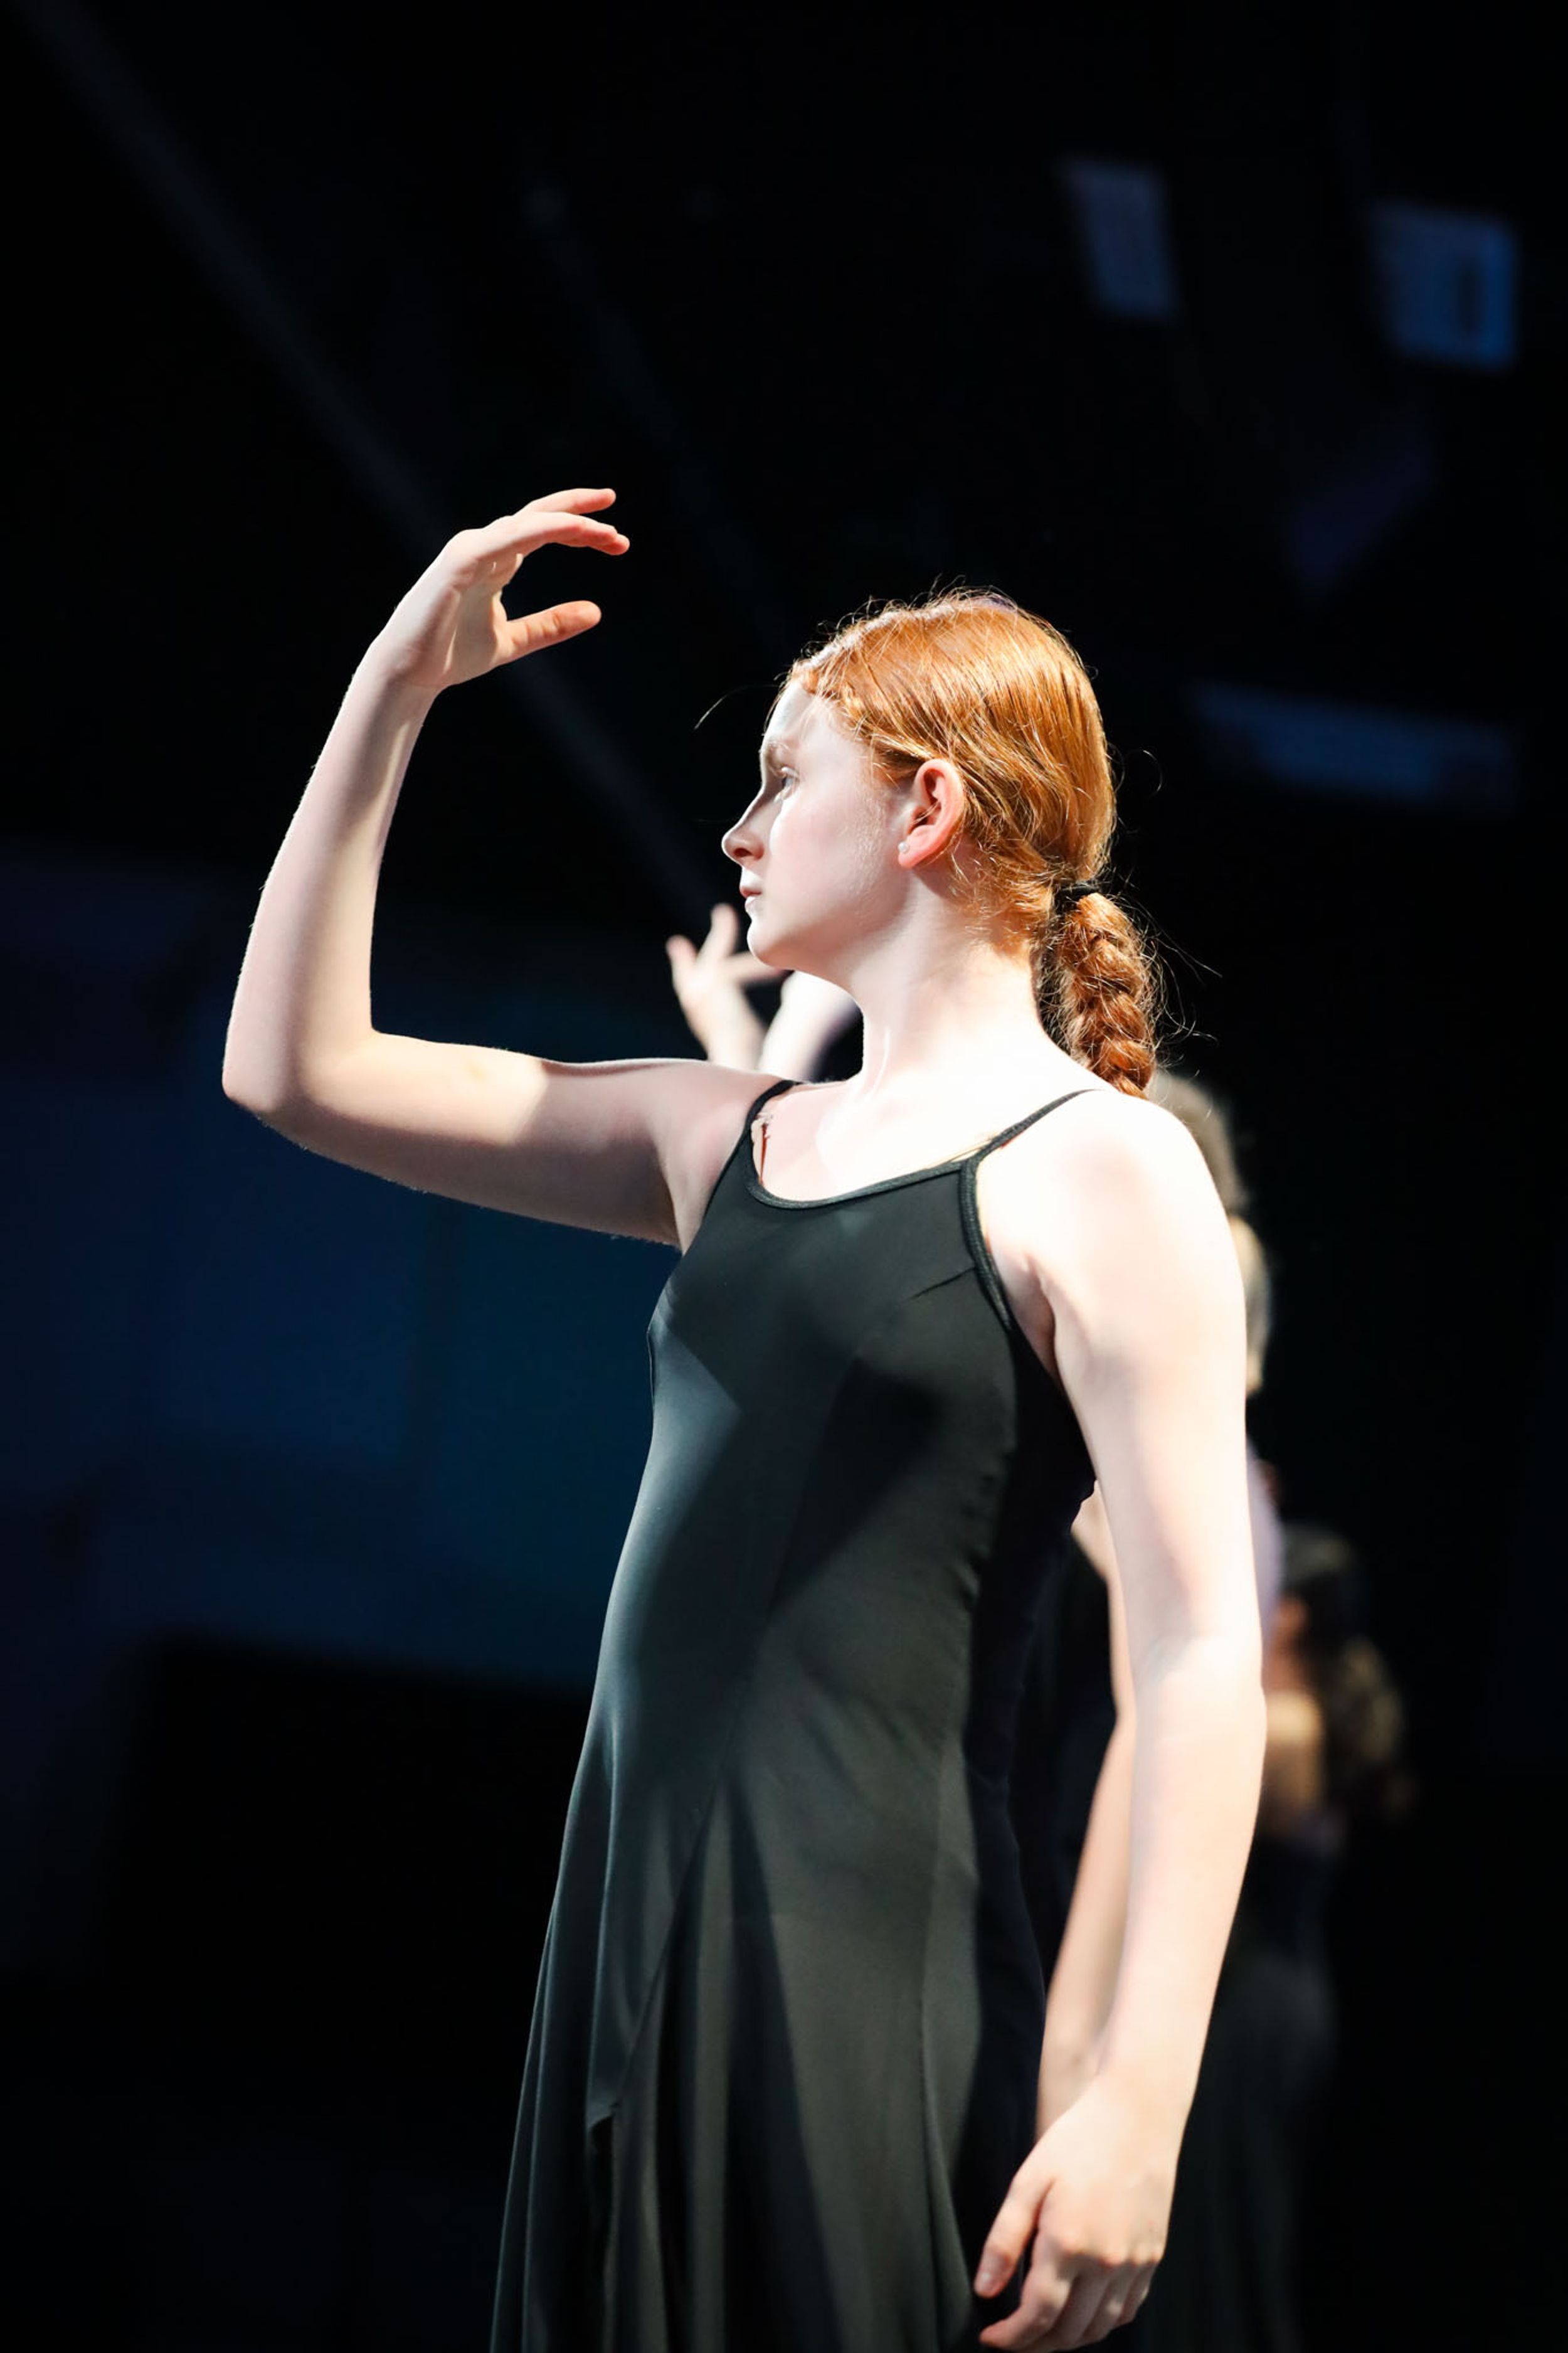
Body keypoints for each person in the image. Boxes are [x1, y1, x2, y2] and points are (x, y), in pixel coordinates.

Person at [221, 487, 1266, 2352]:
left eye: (784, 780)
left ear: (926, 808)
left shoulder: (1102, 1171)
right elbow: (295, 1070)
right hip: (626, 1927)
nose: (739, 830)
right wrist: (391, 692)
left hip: (859, 1953)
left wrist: (1139, 2096)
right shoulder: (726, 1140)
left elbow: (1194, 1650)